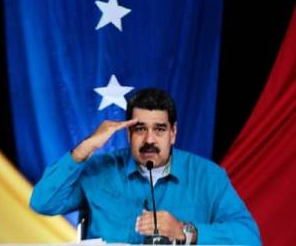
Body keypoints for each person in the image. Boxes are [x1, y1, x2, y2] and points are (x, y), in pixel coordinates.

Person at [30, 88, 261, 245]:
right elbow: (42, 202)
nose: (149, 139)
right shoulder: (99, 171)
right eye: (140, 129)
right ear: (128, 133)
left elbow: (249, 237)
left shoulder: (208, 176)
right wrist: (85, 148)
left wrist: (184, 231)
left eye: (159, 129)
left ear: (173, 133)